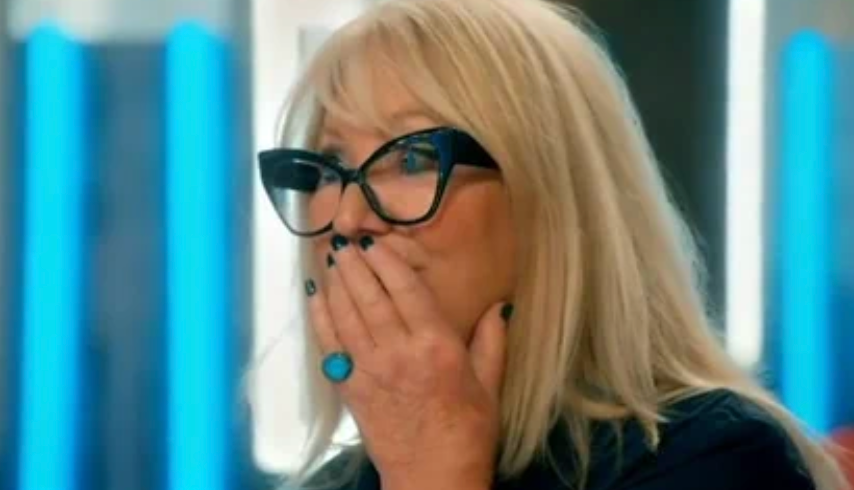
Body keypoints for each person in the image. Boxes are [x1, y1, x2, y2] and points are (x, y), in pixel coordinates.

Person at [255, 0, 849, 489]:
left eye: (412, 157)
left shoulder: (716, 455)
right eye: (327, 166)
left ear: (550, 199)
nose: (348, 217)